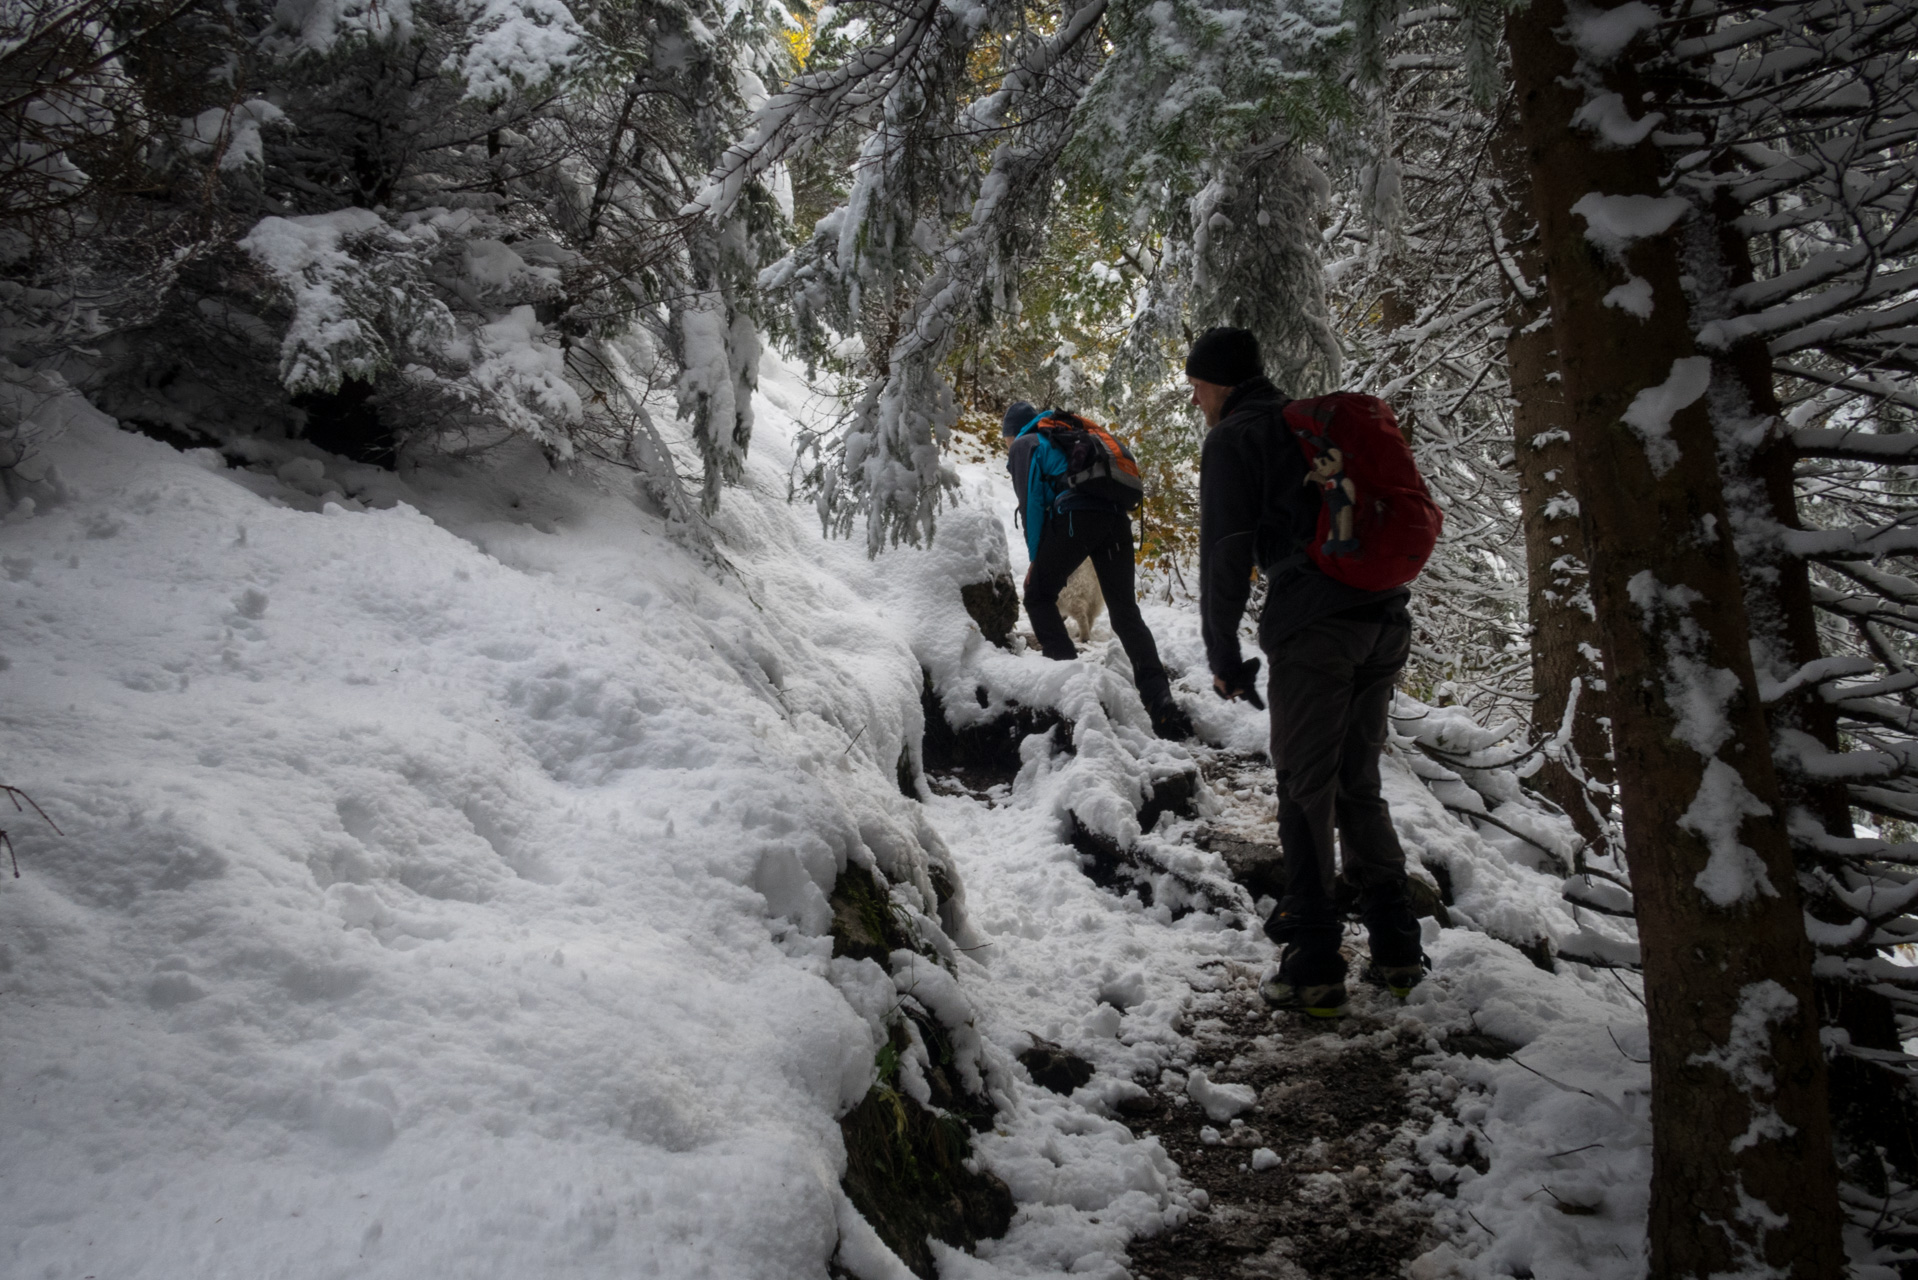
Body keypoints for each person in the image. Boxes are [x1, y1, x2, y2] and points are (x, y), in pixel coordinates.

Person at [1186, 328, 1425, 1017]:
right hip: (1383, 619)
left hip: (1314, 629)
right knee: (1358, 784)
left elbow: (1227, 553)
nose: (1195, 397)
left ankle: (1315, 962)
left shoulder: (1235, 439)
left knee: (1304, 786)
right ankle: (1397, 945)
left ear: (1221, 383)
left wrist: (1222, 653)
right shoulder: (1307, 428)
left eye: (1198, 384)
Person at [1003, 400, 1193, 741]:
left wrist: (1036, 560)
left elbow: (1032, 502)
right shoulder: (1066, 434)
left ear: (1011, 431)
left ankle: (1071, 692)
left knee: (1037, 595)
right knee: (1125, 614)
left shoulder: (1024, 443)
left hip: (1076, 518)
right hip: (1115, 520)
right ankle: (1161, 703)